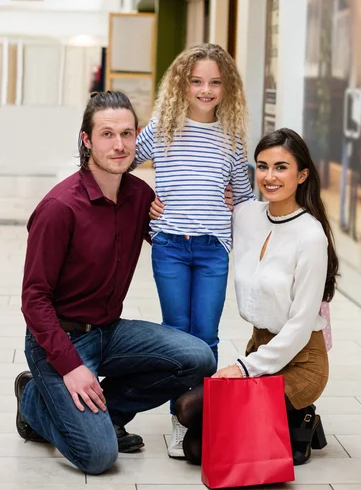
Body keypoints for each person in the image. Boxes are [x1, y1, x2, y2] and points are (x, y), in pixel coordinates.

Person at [15, 91, 216, 475]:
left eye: (126, 133)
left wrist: (214, 199)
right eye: (107, 134)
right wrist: (70, 366)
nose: (119, 145)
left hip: (110, 332)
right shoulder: (60, 209)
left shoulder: (140, 195)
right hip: (60, 341)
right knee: (99, 457)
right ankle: (33, 400)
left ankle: (107, 413)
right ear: (86, 140)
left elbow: (169, 237)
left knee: (198, 358)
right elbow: (34, 299)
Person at [157, 128, 338, 466]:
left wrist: (242, 368)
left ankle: (300, 416)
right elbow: (198, 206)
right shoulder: (247, 215)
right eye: (262, 166)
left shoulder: (311, 236)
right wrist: (155, 205)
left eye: (281, 167)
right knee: (186, 414)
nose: (269, 177)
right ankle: (288, 420)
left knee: (198, 444)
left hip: (299, 360)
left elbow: (299, 328)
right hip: (260, 349)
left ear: (302, 175)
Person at [135, 43, 254, 456]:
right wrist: (142, 201)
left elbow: (244, 195)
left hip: (212, 251)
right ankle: (179, 420)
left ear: (227, 88)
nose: (205, 90)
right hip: (168, 246)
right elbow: (121, 160)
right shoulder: (163, 128)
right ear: (181, 84)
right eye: (197, 81)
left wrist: (231, 202)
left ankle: (200, 417)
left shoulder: (232, 137)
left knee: (205, 337)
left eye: (215, 82)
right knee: (176, 335)